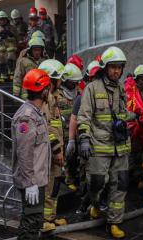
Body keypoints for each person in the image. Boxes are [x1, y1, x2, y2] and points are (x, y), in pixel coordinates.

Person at [77, 46, 132, 238]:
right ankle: (94, 203)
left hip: (121, 146)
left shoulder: (122, 88)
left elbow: (123, 114)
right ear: (105, 68)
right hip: (99, 147)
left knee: (121, 184)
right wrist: (84, 139)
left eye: (119, 67)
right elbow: (84, 117)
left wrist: (129, 119)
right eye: (113, 67)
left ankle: (114, 222)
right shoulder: (92, 88)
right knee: (97, 183)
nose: (116, 71)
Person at [12, 69, 51, 239]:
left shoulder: (35, 113)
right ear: (44, 91)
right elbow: (24, 151)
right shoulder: (27, 116)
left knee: (34, 222)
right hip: (32, 181)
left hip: (36, 179)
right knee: (31, 224)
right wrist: (30, 183)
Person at [67, 60, 101, 214]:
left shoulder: (107, 97)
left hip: (102, 144)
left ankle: (94, 204)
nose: (95, 82)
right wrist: (72, 141)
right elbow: (74, 119)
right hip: (86, 145)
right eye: (92, 79)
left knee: (100, 178)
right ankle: (84, 205)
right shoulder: (81, 98)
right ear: (87, 79)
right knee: (86, 176)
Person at [38, 59, 67, 230]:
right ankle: (45, 219)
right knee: (48, 185)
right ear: (50, 79)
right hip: (49, 151)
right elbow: (45, 128)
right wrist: (57, 150)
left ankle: (51, 217)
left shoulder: (53, 97)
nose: (61, 81)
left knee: (55, 184)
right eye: (59, 78)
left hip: (56, 150)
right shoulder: (45, 100)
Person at [58, 63, 83, 192]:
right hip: (63, 131)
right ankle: (69, 179)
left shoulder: (79, 92)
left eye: (76, 82)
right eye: (72, 82)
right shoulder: (58, 93)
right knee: (68, 156)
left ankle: (76, 177)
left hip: (77, 130)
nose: (74, 85)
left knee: (76, 156)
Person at [0, 10, 18, 82]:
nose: (2, 21)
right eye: (0, 20)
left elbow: (17, 38)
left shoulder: (12, 27)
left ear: (6, 19)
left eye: (3, 19)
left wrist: (10, 35)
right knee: (2, 62)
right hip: (1, 48)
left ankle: (11, 74)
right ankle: (3, 76)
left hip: (11, 48)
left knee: (11, 60)